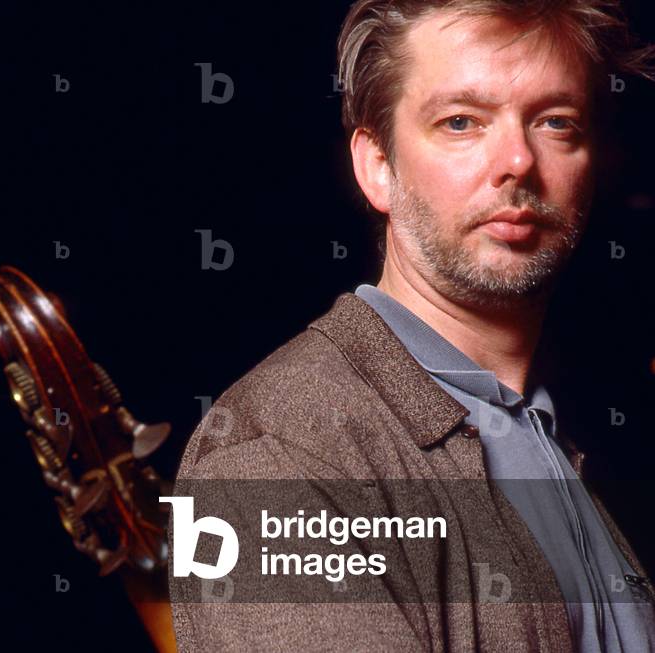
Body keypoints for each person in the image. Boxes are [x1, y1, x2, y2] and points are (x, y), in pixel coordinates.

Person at [171, 1, 655, 650]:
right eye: (460, 122)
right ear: (376, 166)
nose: (516, 160)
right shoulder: (279, 454)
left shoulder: (543, 426)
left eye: (553, 122)